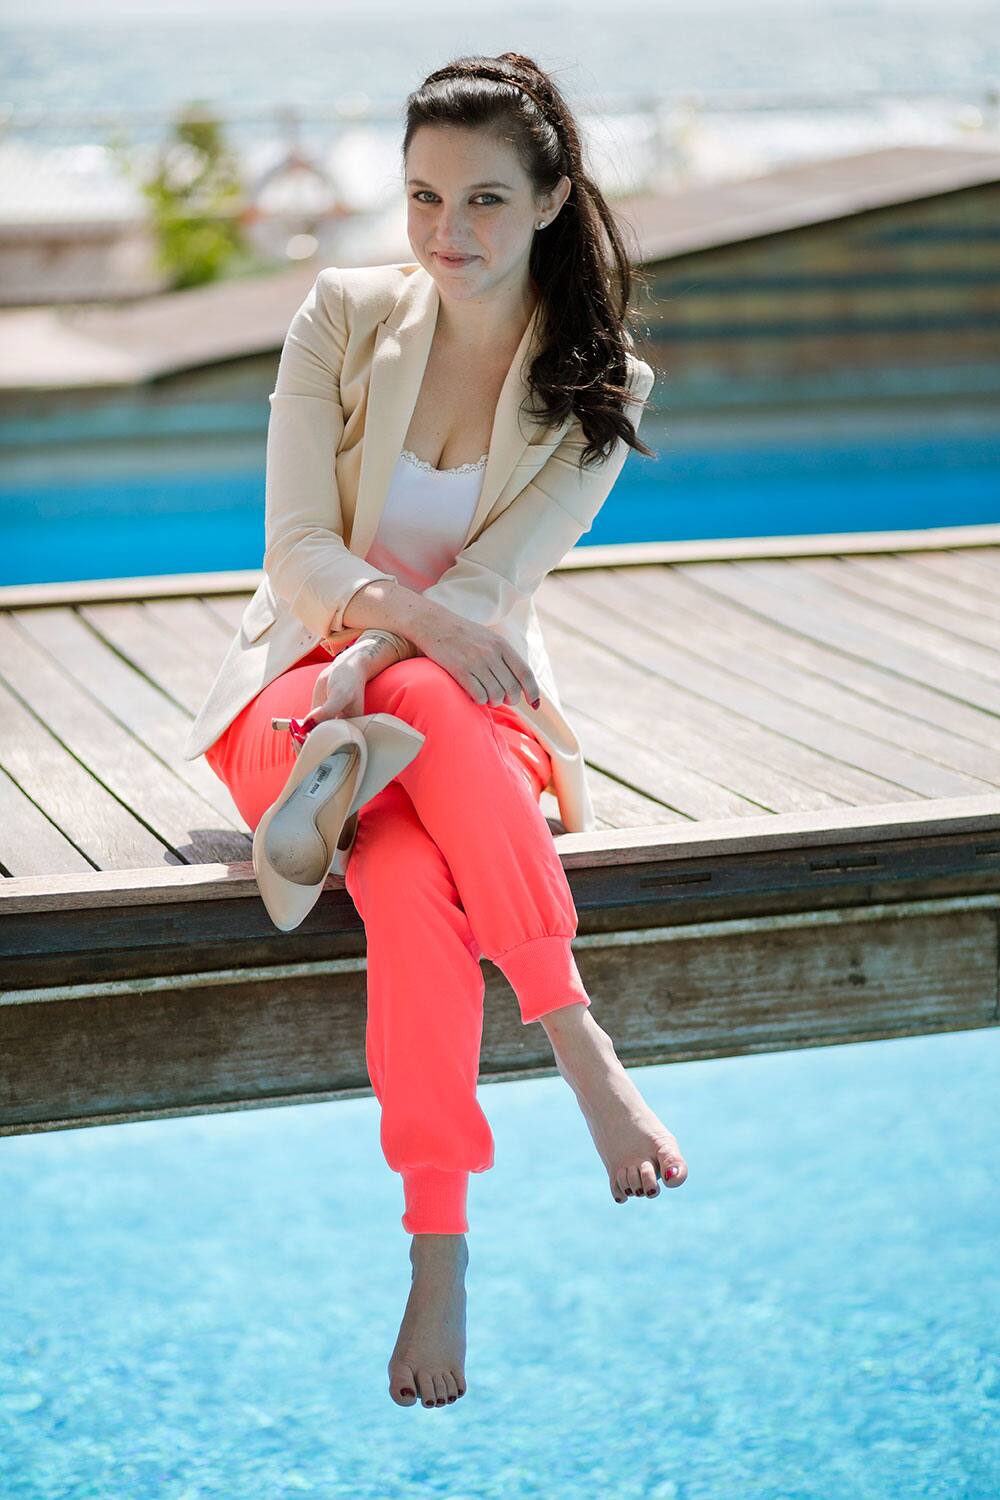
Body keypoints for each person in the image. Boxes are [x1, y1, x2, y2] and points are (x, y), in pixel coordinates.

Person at [191, 52, 688, 1412]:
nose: (444, 235)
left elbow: (490, 591)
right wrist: (355, 655)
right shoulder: (342, 317)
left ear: (549, 202)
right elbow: (295, 548)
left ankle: (437, 1236)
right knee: (413, 706)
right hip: (294, 691)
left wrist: (381, 653)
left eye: (480, 201)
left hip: (444, 711)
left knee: (410, 860)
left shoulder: (600, 388)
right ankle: (576, 1044)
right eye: (420, 198)